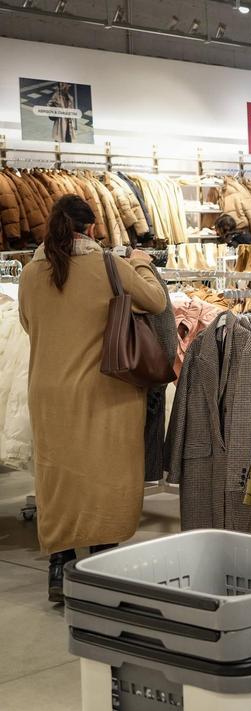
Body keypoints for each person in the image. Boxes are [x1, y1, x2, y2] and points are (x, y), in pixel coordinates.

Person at [18, 194, 168, 601]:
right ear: (89, 228)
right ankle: (103, 563)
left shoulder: (30, 273)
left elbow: (29, 324)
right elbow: (155, 301)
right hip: (106, 389)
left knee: (57, 476)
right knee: (106, 474)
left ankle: (59, 567)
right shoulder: (108, 265)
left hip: (48, 391)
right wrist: (140, 261)